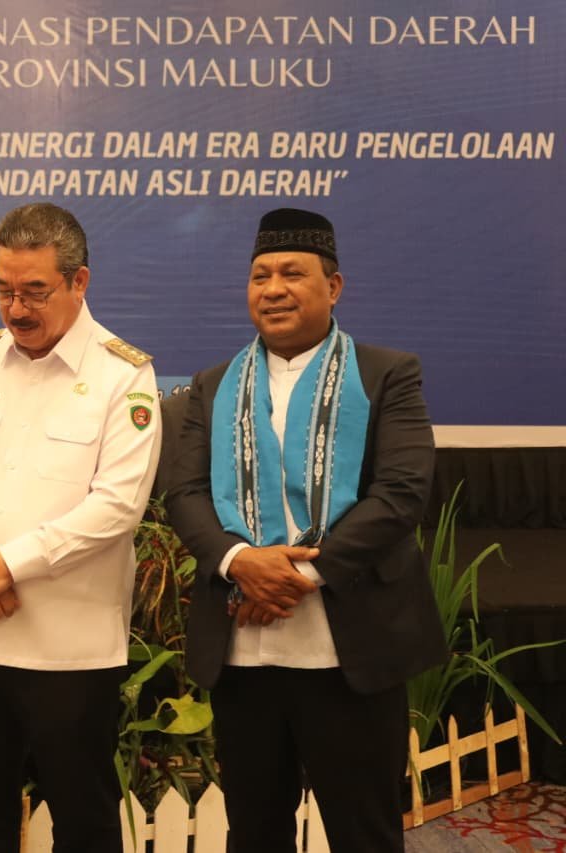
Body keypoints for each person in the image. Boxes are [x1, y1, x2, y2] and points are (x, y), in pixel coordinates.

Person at [166, 208, 448, 852]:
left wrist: (298, 573)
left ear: (334, 286)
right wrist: (240, 562)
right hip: (244, 656)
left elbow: (401, 493)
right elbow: (184, 493)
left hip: (349, 652)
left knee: (364, 834)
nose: (273, 289)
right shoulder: (211, 387)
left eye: (292, 273)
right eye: (260, 275)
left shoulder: (386, 373)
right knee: (254, 833)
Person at [0, 203, 162, 852]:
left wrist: (8, 565)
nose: (16, 309)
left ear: (79, 282)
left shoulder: (123, 375)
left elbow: (118, 505)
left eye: (35, 292)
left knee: (82, 823)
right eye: (4, 290)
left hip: (68, 651)